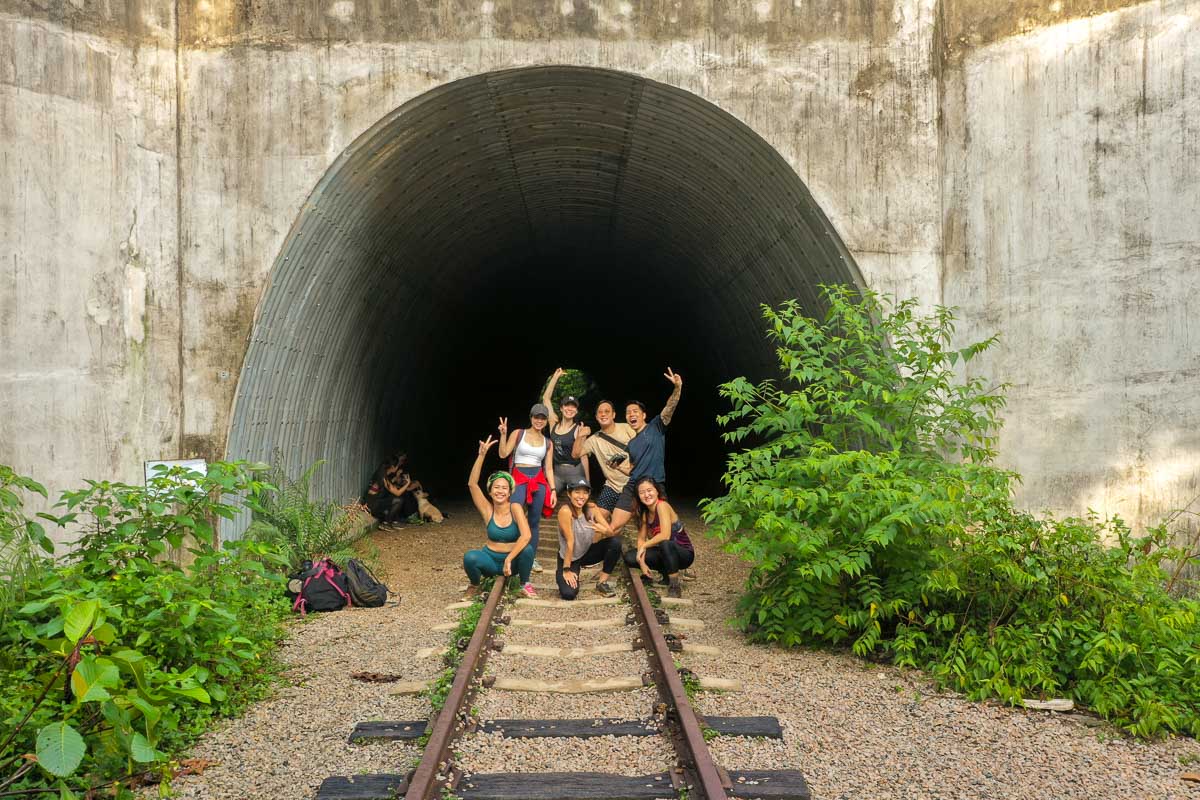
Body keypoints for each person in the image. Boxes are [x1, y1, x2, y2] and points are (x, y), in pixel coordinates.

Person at [608, 367, 683, 533]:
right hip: (633, 485)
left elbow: (669, 407)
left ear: (643, 415)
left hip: (654, 484)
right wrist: (618, 467)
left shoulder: (656, 426)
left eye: (635, 411)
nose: (631, 414)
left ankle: (659, 555)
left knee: (659, 531)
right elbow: (633, 469)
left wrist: (677, 387)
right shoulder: (632, 443)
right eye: (628, 413)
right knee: (613, 526)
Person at [463, 436, 537, 599]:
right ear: (490, 491)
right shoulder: (487, 510)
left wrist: (509, 559)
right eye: (496, 487)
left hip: (513, 561)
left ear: (510, 492)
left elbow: (526, 536)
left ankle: (525, 584)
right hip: (491, 559)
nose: (500, 491)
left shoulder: (515, 507)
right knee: (470, 557)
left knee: (528, 549)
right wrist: (481, 455)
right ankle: (475, 585)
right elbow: (472, 484)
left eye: (504, 488)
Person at [498, 406, 557, 574]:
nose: (539, 421)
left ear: (546, 421)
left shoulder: (548, 442)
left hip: (538, 480)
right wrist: (503, 434)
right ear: (531, 418)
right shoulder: (518, 434)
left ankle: (531, 557)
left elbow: (549, 468)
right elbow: (503, 454)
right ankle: (509, 551)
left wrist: (552, 489)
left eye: (543, 418)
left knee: (534, 521)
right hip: (519, 477)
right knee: (514, 516)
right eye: (536, 417)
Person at [624, 477, 694, 598]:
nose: (646, 495)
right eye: (642, 492)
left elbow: (665, 535)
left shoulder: (662, 506)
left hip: (684, 554)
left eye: (649, 490)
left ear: (657, 491)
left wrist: (645, 546)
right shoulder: (646, 513)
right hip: (664, 552)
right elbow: (641, 539)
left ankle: (674, 585)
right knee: (630, 557)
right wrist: (642, 563)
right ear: (638, 496)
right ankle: (666, 573)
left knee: (665, 543)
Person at [555, 478, 622, 600]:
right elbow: (570, 542)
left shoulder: (592, 508)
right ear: (569, 494)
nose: (581, 496)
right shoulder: (565, 511)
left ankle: (602, 582)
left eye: (585, 492)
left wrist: (604, 531)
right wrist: (566, 569)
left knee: (615, 543)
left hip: (587, 552)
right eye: (577, 492)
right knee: (568, 594)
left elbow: (611, 533)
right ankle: (565, 572)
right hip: (570, 557)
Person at [571, 400, 636, 513]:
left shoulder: (627, 428)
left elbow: (643, 450)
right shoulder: (594, 439)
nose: (603, 414)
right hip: (612, 486)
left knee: (628, 521)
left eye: (607, 411)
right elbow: (575, 455)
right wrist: (580, 436)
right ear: (596, 417)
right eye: (600, 412)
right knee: (599, 518)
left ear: (614, 415)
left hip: (633, 484)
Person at [541, 367, 591, 493]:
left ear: (576, 411)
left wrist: (587, 482)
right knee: (544, 497)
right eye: (566, 406)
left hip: (575, 472)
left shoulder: (578, 429)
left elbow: (583, 457)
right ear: (562, 408)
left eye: (573, 407)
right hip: (557, 473)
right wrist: (555, 377)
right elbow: (546, 398)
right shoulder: (553, 423)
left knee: (581, 501)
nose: (570, 409)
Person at [363, 454, 420, 529]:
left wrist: (396, 477)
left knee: (393, 497)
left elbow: (389, 486)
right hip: (372, 505)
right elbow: (397, 492)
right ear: (393, 467)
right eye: (397, 466)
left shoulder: (381, 473)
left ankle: (390, 520)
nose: (398, 467)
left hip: (372, 501)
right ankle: (387, 522)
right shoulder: (383, 477)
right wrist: (408, 483)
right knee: (398, 500)